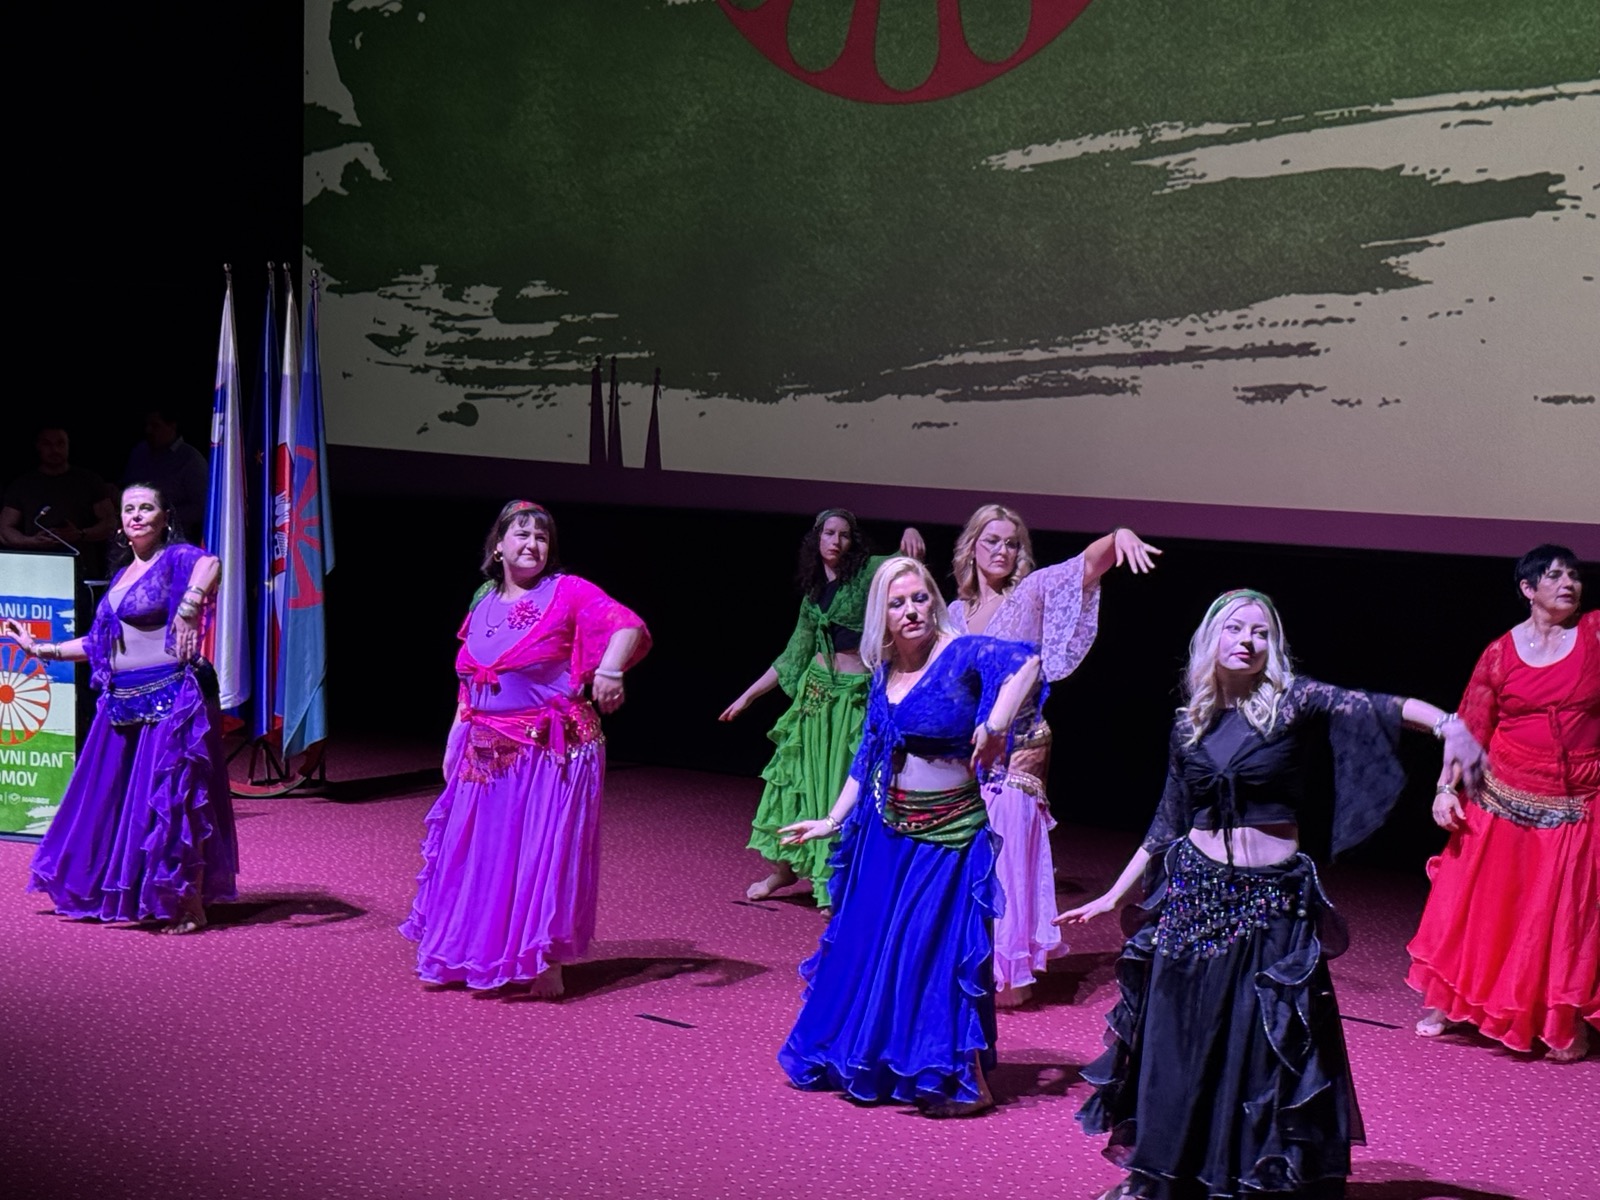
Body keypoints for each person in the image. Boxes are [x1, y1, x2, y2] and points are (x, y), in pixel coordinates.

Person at [1059, 589, 1484, 1200]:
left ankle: (1253, 1177)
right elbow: (1168, 819)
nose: (1248, 641)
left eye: (1261, 632)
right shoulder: (1189, 723)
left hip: (1272, 903)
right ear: (1211, 638)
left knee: (1262, 1045)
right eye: (1236, 628)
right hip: (1195, 895)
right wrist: (1113, 894)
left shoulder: (1293, 703)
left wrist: (1450, 724)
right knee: (1181, 1040)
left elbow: (1377, 706)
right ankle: (1161, 1174)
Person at [778, 557, 1041, 1118]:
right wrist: (832, 819)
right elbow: (868, 754)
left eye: (920, 598)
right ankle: (876, 1060)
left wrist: (994, 724)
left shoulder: (961, 652)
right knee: (872, 946)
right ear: (883, 615)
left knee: (935, 952)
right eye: (897, 603)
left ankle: (962, 1079)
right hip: (886, 830)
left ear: (934, 602)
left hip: (950, 833)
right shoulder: (884, 673)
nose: (911, 610)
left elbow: (1026, 662)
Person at [400, 500, 650, 997]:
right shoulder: (483, 598)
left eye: (541, 536)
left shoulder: (567, 590)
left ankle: (545, 959)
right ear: (498, 546)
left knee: (540, 854)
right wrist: (454, 740)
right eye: (522, 534)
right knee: (480, 853)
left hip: (550, 752)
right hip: (486, 748)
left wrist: (609, 670)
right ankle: (473, 953)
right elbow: (469, 682)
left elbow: (629, 626)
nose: (532, 543)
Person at [948, 506, 1161, 1006]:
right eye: (992, 541)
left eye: (1012, 543)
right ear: (972, 547)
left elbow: (1086, 566)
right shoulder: (954, 613)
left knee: (1005, 853)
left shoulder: (1031, 592)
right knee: (964, 856)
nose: (1003, 551)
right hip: (967, 750)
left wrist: (1117, 536)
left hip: (1019, 745)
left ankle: (1008, 971)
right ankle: (966, 958)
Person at [2, 483, 238, 934]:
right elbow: (98, 644)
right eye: (129, 509)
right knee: (113, 801)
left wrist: (189, 605)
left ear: (164, 518)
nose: (136, 515)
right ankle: (131, 892)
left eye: (147, 508)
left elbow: (211, 564)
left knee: (171, 802)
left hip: (171, 698)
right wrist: (39, 648)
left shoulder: (176, 557)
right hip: (123, 701)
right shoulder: (122, 575)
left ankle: (189, 904)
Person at [1407, 544, 1598, 1062]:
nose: (1568, 584)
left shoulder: (1595, 635)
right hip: (1501, 796)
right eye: (1555, 576)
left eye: (1575, 576)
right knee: (1478, 906)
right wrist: (1444, 789)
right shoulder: (1499, 654)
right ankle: (1447, 1002)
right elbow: (1469, 727)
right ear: (1528, 589)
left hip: (1575, 802)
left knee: (1564, 919)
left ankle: (1562, 1020)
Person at [719, 510, 923, 908]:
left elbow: (903, 560)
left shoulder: (865, 575)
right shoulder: (813, 594)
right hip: (814, 698)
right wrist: (748, 696)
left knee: (839, 785)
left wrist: (912, 528)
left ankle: (832, 881)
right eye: (829, 533)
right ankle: (784, 868)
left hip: (852, 699)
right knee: (796, 782)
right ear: (817, 539)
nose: (836, 541)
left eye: (844, 535)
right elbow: (792, 657)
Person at [1, 425, 116, 574]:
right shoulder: (23, 484)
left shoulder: (89, 480)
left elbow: (110, 522)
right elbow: (4, 529)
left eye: (60, 443)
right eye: (47, 444)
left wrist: (81, 534)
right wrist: (31, 541)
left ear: (68, 446)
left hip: (80, 566)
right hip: (36, 567)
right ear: (38, 447)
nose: (54, 449)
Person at [123, 407, 208, 541]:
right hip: (135, 535)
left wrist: (162, 516)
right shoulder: (140, 452)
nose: (148, 431)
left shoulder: (190, 459)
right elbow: (127, 485)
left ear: (172, 426)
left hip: (174, 538)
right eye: (147, 425)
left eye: (155, 426)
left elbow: (201, 507)